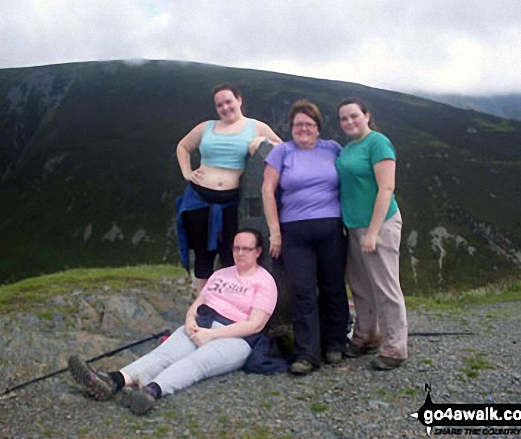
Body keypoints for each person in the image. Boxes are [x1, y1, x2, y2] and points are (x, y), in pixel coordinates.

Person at [68, 229, 280, 415]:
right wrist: (190, 320)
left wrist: (212, 335)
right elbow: (200, 302)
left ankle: (151, 391)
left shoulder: (265, 282)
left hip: (237, 338)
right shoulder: (221, 274)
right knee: (164, 354)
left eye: (247, 249)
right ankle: (114, 380)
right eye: (236, 248)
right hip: (203, 323)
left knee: (198, 362)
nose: (240, 253)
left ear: (258, 251)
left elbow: (256, 325)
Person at [261, 99, 350, 375]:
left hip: (331, 228)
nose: (303, 128)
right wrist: (275, 231)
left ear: (318, 127)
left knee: (333, 286)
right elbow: (267, 190)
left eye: (309, 124)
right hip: (295, 233)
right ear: (291, 127)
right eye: (298, 124)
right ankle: (306, 354)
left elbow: (351, 179)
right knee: (303, 291)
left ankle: (334, 344)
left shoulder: (333, 149)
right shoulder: (282, 152)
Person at [176, 84, 282, 295]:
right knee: (202, 254)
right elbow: (183, 147)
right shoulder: (206, 127)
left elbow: (284, 148)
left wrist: (264, 141)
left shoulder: (256, 126)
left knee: (230, 254)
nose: (225, 107)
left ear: (239, 100)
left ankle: (228, 302)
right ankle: (202, 305)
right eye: (220, 105)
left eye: (228, 101)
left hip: (230, 201)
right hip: (198, 198)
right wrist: (187, 172)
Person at [335, 97, 408, 371]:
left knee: (385, 286)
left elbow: (386, 188)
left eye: (354, 115)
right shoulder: (349, 148)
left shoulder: (378, 143)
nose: (349, 121)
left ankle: (395, 347)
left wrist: (373, 232)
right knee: (361, 286)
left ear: (366, 115)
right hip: (353, 225)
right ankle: (366, 336)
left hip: (379, 224)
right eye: (344, 118)